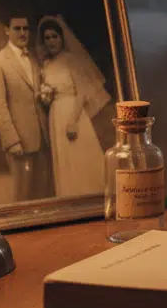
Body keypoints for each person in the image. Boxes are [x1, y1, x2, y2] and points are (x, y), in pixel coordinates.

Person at [37, 15, 111, 198]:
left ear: (62, 38)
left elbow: (82, 93)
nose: (51, 41)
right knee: (64, 160)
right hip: (55, 114)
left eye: (54, 36)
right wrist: (45, 98)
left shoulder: (71, 60)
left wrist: (73, 121)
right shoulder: (46, 64)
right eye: (47, 38)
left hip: (73, 113)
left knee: (79, 158)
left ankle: (88, 198)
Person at [0, 14, 52, 202]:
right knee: (23, 195)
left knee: (44, 193)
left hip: (42, 138)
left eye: (26, 28)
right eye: (17, 28)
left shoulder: (34, 59)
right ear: (7, 30)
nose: (23, 33)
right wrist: (12, 140)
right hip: (19, 140)